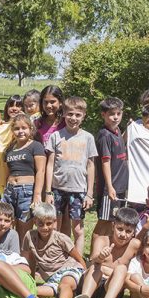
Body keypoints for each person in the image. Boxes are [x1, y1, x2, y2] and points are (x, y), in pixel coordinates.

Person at [43, 95, 97, 253]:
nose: (73, 118)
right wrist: (48, 191)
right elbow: (50, 164)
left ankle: (78, 263)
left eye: (78, 115)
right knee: (55, 228)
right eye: (70, 114)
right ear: (64, 114)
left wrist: (89, 194)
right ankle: (55, 257)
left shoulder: (88, 138)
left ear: (83, 116)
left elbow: (91, 165)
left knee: (78, 230)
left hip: (78, 190)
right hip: (57, 189)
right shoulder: (55, 136)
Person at [22, 202, 86, 298]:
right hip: (51, 279)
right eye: (40, 224)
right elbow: (30, 260)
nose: (45, 227)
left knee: (65, 284)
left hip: (69, 270)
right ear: (35, 221)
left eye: (49, 223)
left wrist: (85, 274)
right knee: (33, 291)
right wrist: (30, 280)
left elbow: (78, 257)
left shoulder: (60, 238)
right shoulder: (29, 236)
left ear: (55, 222)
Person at [84, 207, 141, 298]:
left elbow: (137, 270)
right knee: (97, 267)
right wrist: (100, 256)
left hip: (111, 287)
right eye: (119, 229)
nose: (123, 235)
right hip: (92, 281)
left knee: (121, 268)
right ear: (113, 226)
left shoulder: (135, 245)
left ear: (134, 232)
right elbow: (93, 260)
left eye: (128, 231)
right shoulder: (102, 240)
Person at [2, 113, 46, 241]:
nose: (20, 131)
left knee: (24, 226)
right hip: (10, 190)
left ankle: (24, 257)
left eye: (24, 128)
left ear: (30, 129)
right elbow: (6, 172)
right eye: (17, 128)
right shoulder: (9, 149)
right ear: (12, 131)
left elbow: (41, 171)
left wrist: (37, 194)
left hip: (26, 191)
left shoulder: (36, 146)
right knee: (6, 223)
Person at [95, 96, 128, 238]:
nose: (115, 117)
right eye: (111, 114)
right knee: (104, 222)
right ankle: (94, 256)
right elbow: (105, 162)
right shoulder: (104, 135)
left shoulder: (117, 130)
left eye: (118, 114)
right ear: (103, 115)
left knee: (113, 221)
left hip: (120, 186)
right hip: (110, 188)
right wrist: (109, 186)